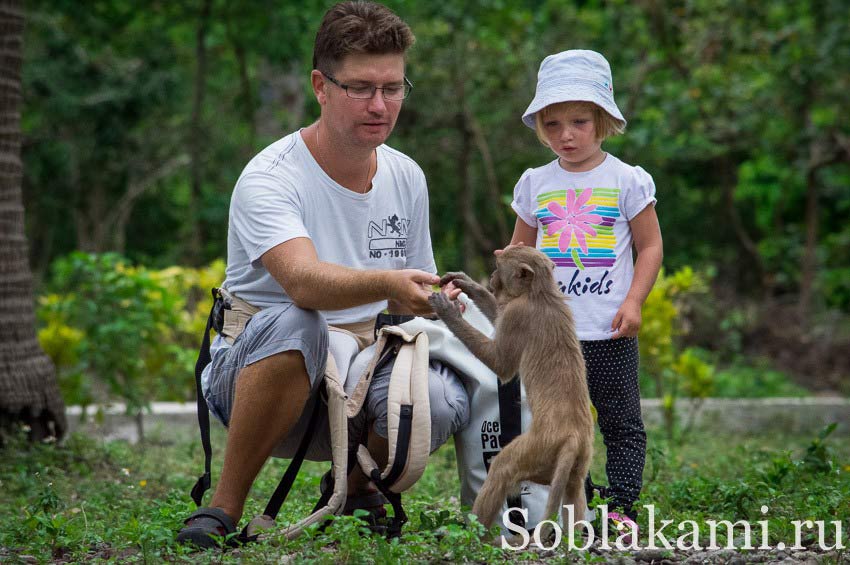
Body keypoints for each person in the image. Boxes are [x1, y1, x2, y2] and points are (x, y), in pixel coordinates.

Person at [177, 1, 469, 548]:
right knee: (300, 322)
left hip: (359, 376)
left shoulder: (407, 175)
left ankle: (354, 487)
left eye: (394, 87)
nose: (379, 104)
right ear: (321, 86)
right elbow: (304, 283)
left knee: (438, 389)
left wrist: (442, 300)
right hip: (257, 375)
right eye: (360, 87)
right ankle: (222, 507)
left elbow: (414, 294)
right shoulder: (270, 176)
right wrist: (387, 283)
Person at [507, 50, 663, 535]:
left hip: (608, 331)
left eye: (579, 122)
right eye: (553, 125)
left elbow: (651, 246)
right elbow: (519, 250)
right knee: (558, 425)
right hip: (552, 337)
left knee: (619, 421)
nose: (566, 135)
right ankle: (581, 499)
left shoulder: (626, 180)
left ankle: (621, 506)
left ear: (603, 121)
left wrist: (634, 301)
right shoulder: (536, 184)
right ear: (540, 128)